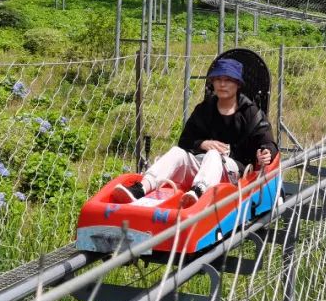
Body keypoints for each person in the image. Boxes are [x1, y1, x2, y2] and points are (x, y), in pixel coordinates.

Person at [110, 58, 277, 208]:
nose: (222, 84)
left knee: (213, 155)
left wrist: (265, 153)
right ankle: (141, 188)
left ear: (238, 84)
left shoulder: (251, 113)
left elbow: (268, 143)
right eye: (218, 79)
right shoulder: (204, 109)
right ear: (212, 82)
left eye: (228, 80)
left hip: (234, 173)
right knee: (177, 152)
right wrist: (203, 143)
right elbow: (185, 141)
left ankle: (198, 192)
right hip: (202, 166)